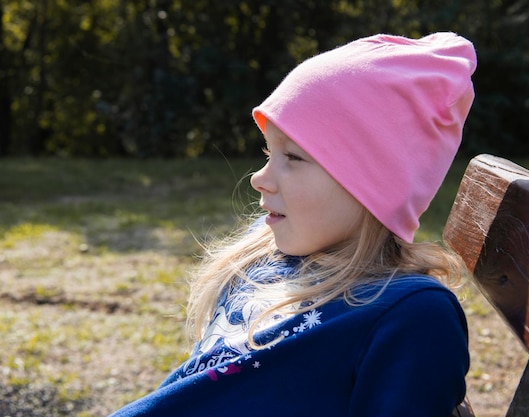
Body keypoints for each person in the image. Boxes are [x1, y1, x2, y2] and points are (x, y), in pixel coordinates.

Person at [110, 31, 477, 417]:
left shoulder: (409, 315)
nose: (259, 178)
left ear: (373, 185)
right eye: (269, 153)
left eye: (295, 158)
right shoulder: (265, 250)